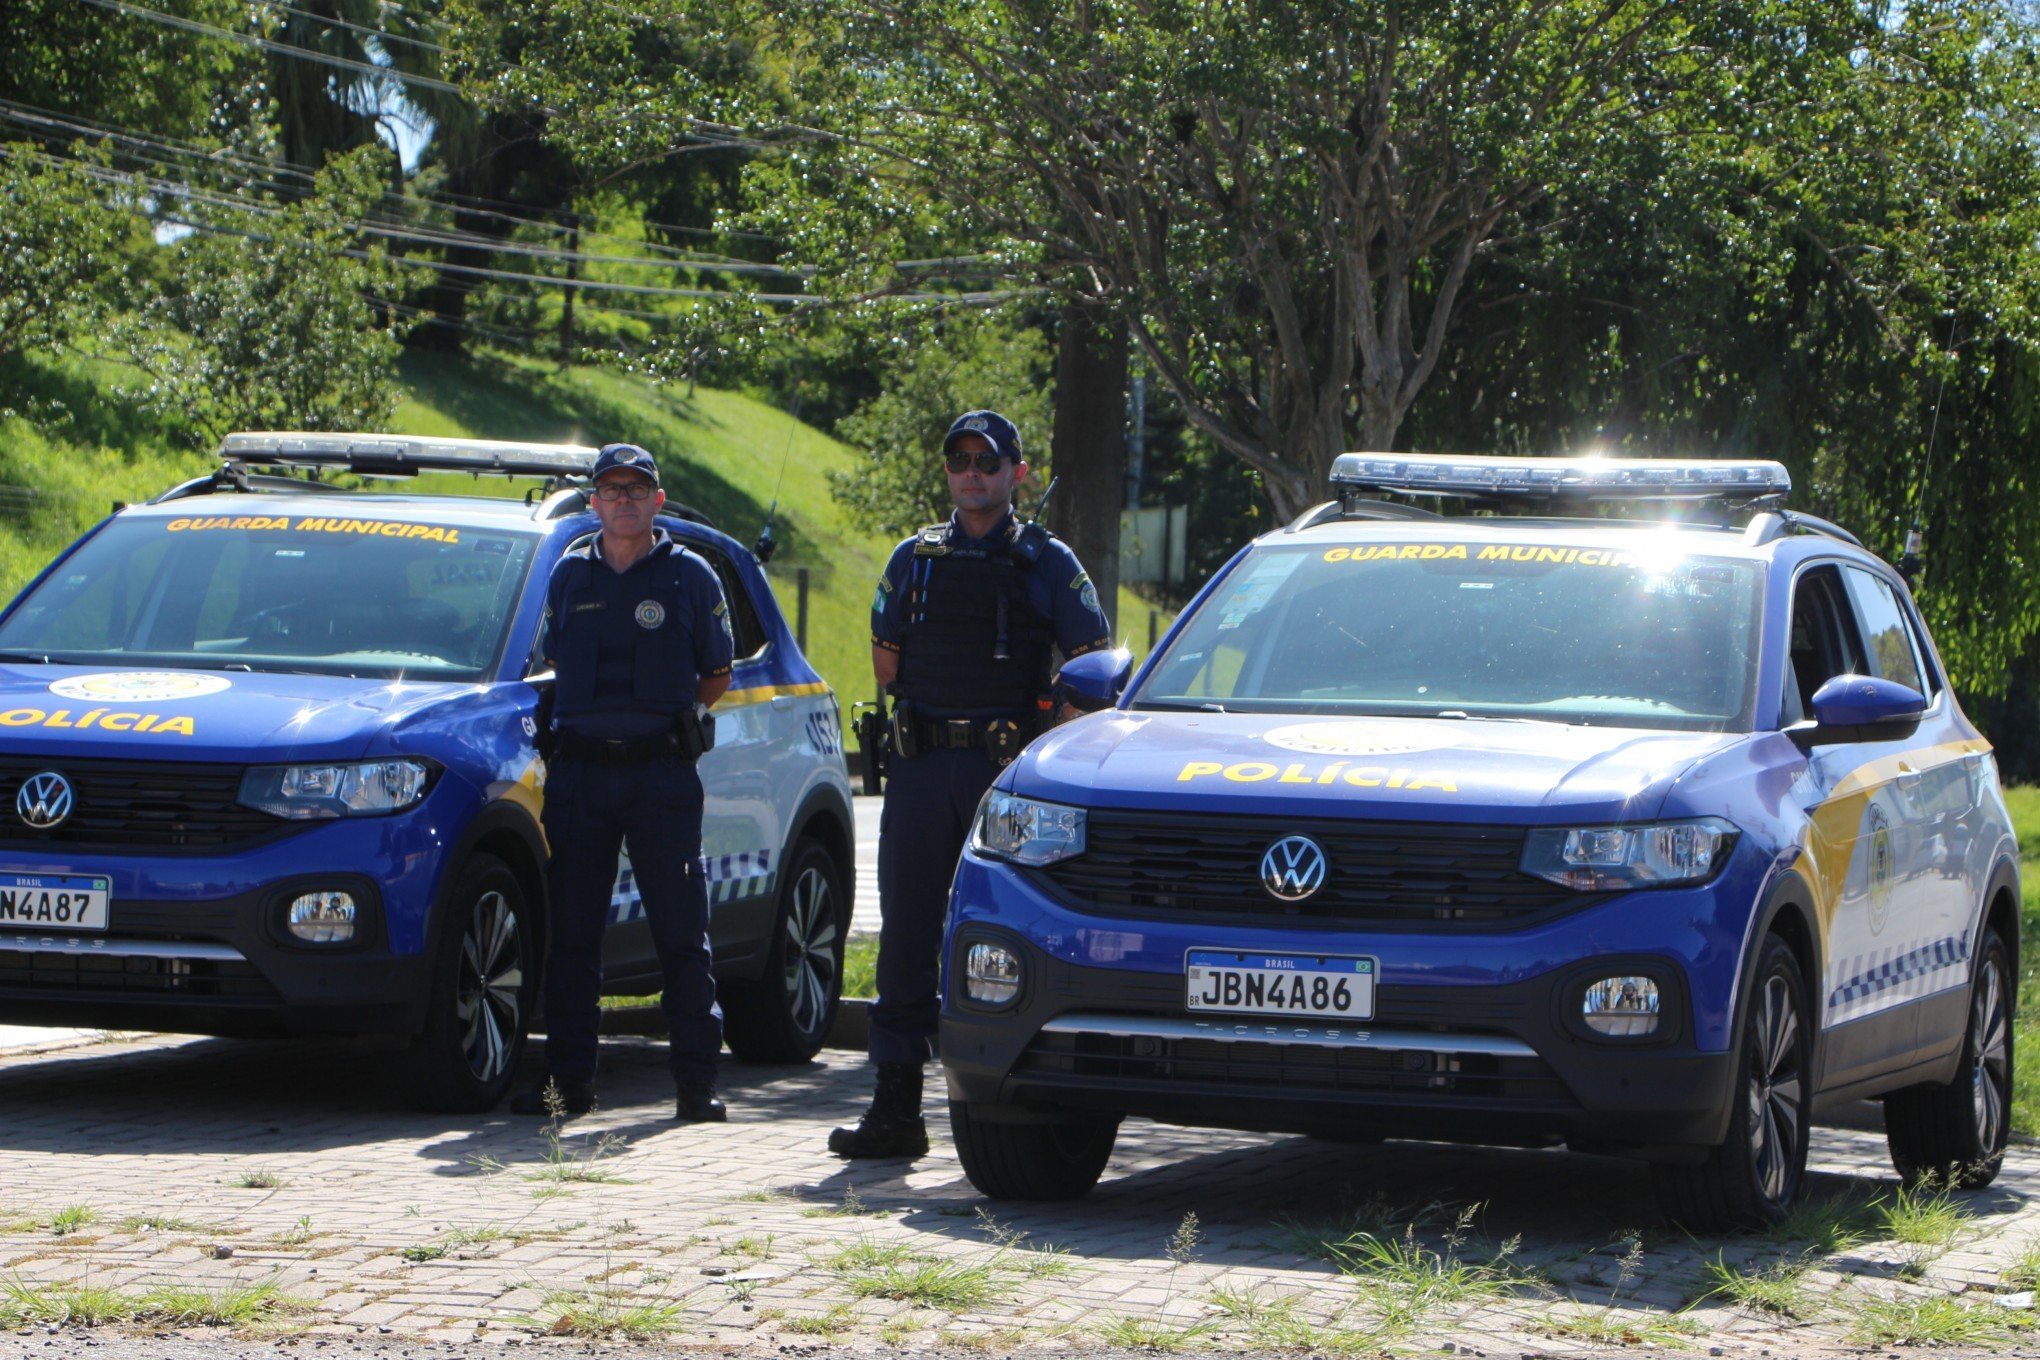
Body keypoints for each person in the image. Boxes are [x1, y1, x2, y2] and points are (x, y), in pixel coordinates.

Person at [830, 410, 1113, 1158]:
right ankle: (894, 1109)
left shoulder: (1049, 561)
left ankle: (1019, 1106)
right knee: (908, 937)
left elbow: (1095, 670)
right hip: (923, 771)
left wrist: (1045, 751)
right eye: (959, 461)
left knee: (1009, 931)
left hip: (1006, 778)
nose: (971, 474)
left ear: (1017, 472)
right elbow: (886, 664)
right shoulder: (912, 559)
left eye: (987, 461)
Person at [512, 442, 735, 1123]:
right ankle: (569, 1085)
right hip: (581, 775)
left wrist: (659, 725)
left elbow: (716, 674)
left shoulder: (691, 577)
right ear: (595, 502)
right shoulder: (569, 578)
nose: (626, 500)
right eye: (612, 490)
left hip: (660, 776)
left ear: (657, 500)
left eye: (638, 489)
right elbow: (552, 659)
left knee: (680, 933)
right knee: (574, 935)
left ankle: (696, 1087)